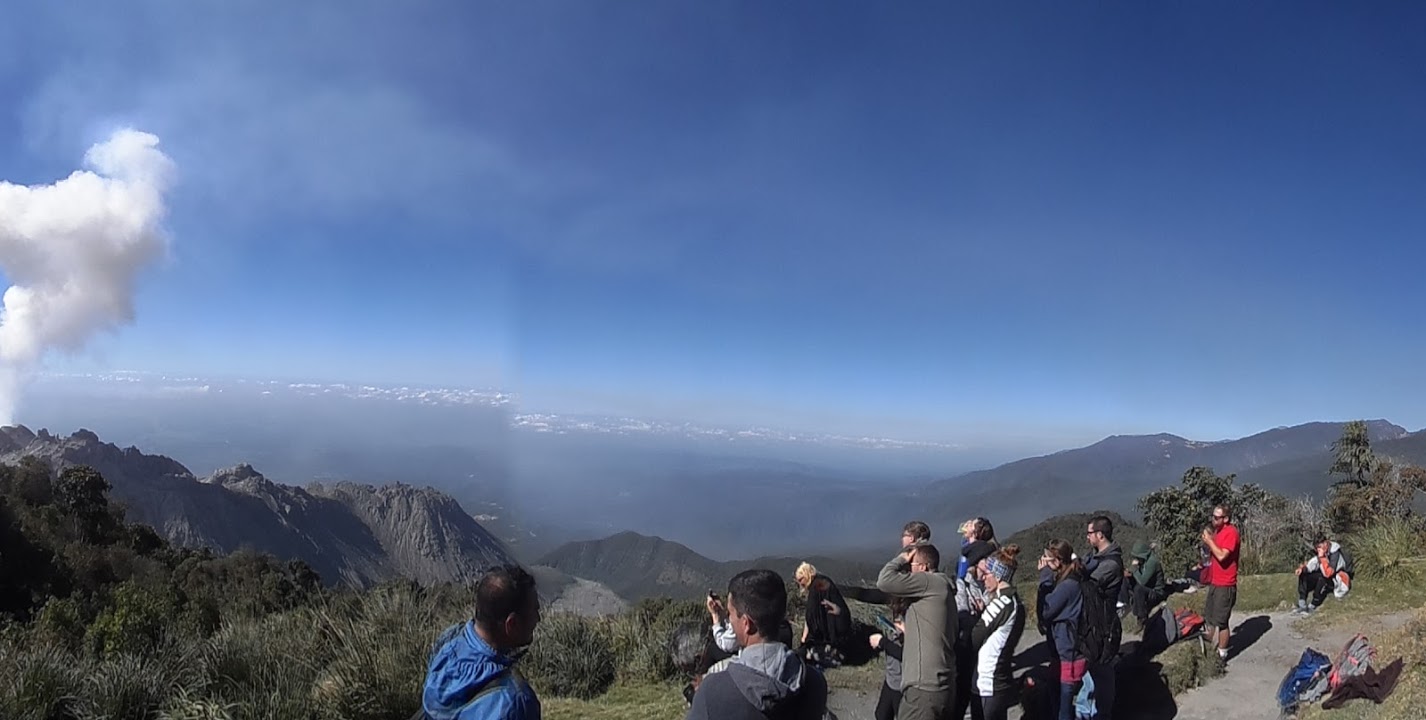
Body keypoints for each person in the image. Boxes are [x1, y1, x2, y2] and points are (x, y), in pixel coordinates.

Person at [686, 569, 828, 720]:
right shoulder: (815, 683)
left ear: (746, 624)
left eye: (731, 613)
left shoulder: (712, 692)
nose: (729, 619)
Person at [420, 564, 543, 720]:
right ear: (511, 624)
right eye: (535, 611)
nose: (538, 619)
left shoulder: (447, 641)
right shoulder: (516, 701)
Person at [877, 541, 957, 720]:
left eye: (911, 566)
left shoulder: (928, 581)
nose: (908, 570)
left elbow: (884, 581)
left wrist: (902, 557)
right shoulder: (943, 588)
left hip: (924, 689)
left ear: (923, 567)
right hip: (942, 684)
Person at [971, 545, 1026, 720]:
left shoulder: (1001, 603)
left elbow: (975, 637)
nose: (984, 578)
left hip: (989, 681)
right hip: (999, 679)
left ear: (998, 576)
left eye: (987, 574)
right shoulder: (1015, 603)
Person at [1038, 540, 1085, 720]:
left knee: (1064, 702)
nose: (1045, 562)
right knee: (1055, 692)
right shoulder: (1067, 579)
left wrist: (1044, 577)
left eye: (1048, 559)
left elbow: (1045, 611)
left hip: (1068, 650)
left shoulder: (1067, 586)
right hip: (1062, 649)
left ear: (1058, 561)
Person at [1081, 516, 1122, 718]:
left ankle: (1102, 714)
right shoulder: (1096, 558)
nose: (1087, 537)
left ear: (1100, 534)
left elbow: (1087, 586)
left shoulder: (1110, 565)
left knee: (1102, 674)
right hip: (1094, 624)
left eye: (1090, 533)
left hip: (1104, 627)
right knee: (1091, 673)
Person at [953, 540, 997, 720]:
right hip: (966, 647)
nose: (993, 562)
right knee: (962, 695)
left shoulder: (985, 584)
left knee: (976, 693)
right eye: (988, 559)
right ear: (978, 561)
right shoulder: (964, 584)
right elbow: (961, 612)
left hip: (981, 648)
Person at [1201, 505, 1240, 666]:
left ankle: (1221, 655)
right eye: (1213, 516)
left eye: (1217, 517)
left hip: (1226, 584)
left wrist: (1209, 541)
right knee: (1210, 617)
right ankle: (1209, 648)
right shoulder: (1218, 532)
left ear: (1226, 519)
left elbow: (1223, 555)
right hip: (1215, 582)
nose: (1213, 519)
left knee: (1222, 622)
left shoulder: (1231, 533)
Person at [795, 562, 853, 667]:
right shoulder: (822, 582)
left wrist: (805, 640)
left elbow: (811, 616)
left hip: (832, 638)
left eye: (801, 580)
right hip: (841, 632)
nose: (800, 584)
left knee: (808, 656)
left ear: (807, 575)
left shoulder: (816, 588)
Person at [868, 597, 911, 720]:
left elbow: (905, 654)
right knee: (881, 715)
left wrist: (883, 642)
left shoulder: (912, 618)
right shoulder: (897, 619)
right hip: (891, 680)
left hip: (902, 686)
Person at [1293, 534, 1355, 615]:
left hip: (1336, 578)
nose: (1318, 549)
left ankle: (1313, 605)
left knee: (1322, 578)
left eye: (1319, 546)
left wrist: (1322, 558)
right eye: (1316, 547)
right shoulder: (1322, 552)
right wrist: (1303, 569)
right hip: (1326, 573)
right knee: (1303, 574)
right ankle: (1302, 604)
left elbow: (1328, 573)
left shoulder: (1335, 553)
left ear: (1325, 543)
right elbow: (1314, 563)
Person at [1121, 540, 1167, 626]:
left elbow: (1142, 581)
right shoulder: (1144, 561)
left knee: (1139, 589)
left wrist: (1134, 570)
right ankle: (1125, 605)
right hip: (1148, 587)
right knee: (1125, 580)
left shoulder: (1152, 562)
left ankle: (1142, 617)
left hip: (1156, 592)